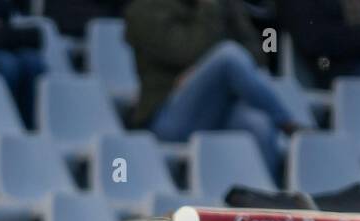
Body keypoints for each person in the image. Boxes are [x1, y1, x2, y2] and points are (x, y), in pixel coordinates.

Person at [125, 0, 298, 173]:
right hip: (167, 116)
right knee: (227, 54)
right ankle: (288, 123)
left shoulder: (224, 4)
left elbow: (256, 55)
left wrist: (205, 69)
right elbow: (185, 52)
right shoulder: (144, 8)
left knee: (259, 125)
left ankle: (265, 196)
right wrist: (209, 6)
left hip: (216, 110)